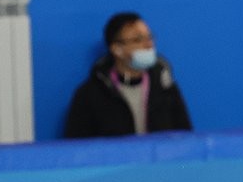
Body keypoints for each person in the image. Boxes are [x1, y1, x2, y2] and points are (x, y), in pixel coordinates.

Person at [63, 12, 193, 138]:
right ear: (116, 49)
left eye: (150, 37)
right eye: (138, 40)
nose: (149, 45)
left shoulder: (165, 86)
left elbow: (185, 136)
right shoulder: (90, 94)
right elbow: (77, 149)